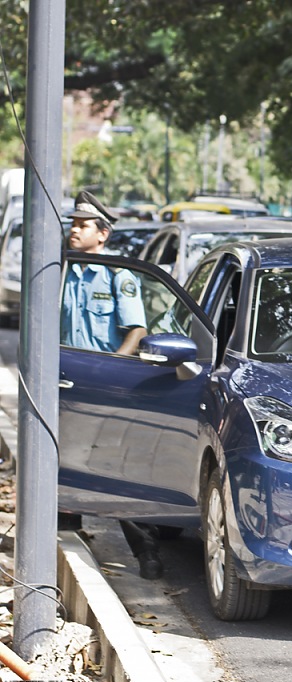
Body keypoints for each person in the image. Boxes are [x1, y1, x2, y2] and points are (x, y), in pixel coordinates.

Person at [62, 190, 163, 579]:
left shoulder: (118, 276)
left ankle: (146, 550)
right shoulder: (65, 271)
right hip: (68, 382)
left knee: (113, 470)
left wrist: (114, 368)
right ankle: (65, 540)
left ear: (102, 234)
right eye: (73, 224)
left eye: (82, 225)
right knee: (62, 463)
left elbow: (137, 330)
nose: (74, 230)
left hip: (103, 384)